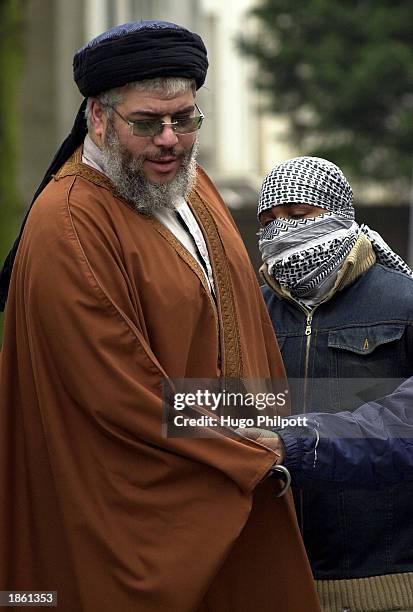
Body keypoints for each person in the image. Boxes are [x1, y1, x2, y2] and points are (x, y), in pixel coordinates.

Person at [0, 21, 321, 612]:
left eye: (186, 119)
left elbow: (245, 337)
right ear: (99, 118)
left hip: (243, 475)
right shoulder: (69, 224)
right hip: (143, 521)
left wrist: (282, 430)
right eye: (147, 123)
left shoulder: (193, 187)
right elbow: (119, 395)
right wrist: (248, 452)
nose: (170, 139)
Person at [258, 156, 413, 612]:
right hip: (280, 584)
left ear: (338, 214)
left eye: (299, 216)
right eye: (269, 221)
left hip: (389, 586)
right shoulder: (249, 310)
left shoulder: (403, 302)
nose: (281, 231)